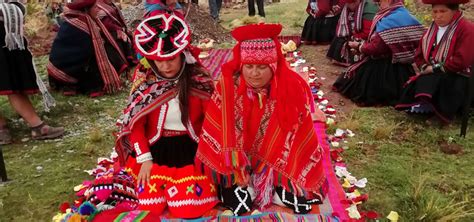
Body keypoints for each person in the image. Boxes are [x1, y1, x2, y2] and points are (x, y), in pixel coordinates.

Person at [195, 23, 328, 216]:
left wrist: (282, 172)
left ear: (273, 66)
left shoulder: (291, 88)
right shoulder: (227, 88)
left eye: (261, 67)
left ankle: (276, 183)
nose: (254, 73)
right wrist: (235, 171)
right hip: (235, 165)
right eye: (248, 66)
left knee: (300, 203)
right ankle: (234, 185)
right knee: (241, 205)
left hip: (276, 164)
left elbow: (296, 137)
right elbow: (218, 134)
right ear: (241, 65)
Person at [115, 13, 218, 218]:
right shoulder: (145, 83)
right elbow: (135, 125)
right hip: (155, 149)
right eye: (157, 61)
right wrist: (144, 159)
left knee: (187, 207)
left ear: (182, 54)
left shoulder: (198, 79)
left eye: (170, 59)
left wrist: (209, 154)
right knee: (150, 206)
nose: (165, 66)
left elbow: (212, 121)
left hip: (192, 147)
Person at [332, 0, 425, 106]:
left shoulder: (388, 20)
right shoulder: (407, 15)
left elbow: (377, 48)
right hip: (403, 70)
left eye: (379, 2)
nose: (377, 5)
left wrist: (359, 46)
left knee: (351, 82)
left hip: (381, 69)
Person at [395, 0, 474, 124]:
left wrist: (434, 68)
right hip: (436, 71)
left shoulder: (467, 29)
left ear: (454, 11)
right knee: (424, 79)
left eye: (443, 11)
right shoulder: (431, 30)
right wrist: (425, 66)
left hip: (460, 74)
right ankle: (426, 108)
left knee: (446, 82)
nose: (438, 15)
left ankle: (443, 114)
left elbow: (462, 60)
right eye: (435, 11)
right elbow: (419, 55)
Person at [0, 0, 64, 144]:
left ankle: (36, 126)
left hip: (7, 37)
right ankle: (2, 128)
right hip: (6, 36)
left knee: (11, 82)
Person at [47, 0, 134, 97]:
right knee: (99, 53)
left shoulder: (86, 19)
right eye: (95, 8)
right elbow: (87, 52)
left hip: (77, 63)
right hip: (64, 70)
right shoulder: (79, 24)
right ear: (87, 9)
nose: (98, 10)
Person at [326, 0, 378, 66]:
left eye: (350, 3)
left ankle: (350, 60)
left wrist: (354, 36)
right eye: (347, 3)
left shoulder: (368, 11)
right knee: (340, 37)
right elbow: (342, 28)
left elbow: (368, 32)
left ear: (357, 1)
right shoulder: (348, 9)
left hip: (369, 37)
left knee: (349, 41)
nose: (348, 5)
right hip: (356, 32)